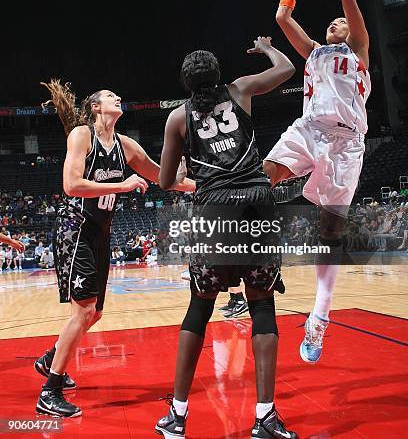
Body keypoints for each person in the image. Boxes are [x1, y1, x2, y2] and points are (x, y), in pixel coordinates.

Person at [156, 42, 298, 439]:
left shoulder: (177, 119)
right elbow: (287, 69)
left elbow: (166, 182)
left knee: (199, 309)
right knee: (262, 306)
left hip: (215, 209)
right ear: (217, 75)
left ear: (186, 83)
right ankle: (265, 417)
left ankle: (178, 417)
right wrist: (269, 49)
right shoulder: (239, 91)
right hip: (257, 202)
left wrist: (187, 165)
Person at [34, 80, 195, 418]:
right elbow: (71, 185)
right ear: (95, 108)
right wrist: (122, 184)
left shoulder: (126, 146)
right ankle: (50, 390)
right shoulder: (82, 135)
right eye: (109, 95)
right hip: (75, 228)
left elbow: (164, 178)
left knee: (94, 313)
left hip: (100, 232)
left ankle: (51, 357)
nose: (117, 96)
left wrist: (204, 188)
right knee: (83, 311)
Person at [263, 0, 371, 364]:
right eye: (332, 22)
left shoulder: (359, 50)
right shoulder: (313, 53)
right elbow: (282, 19)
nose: (336, 21)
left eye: (340, 21)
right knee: (261, 177)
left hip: (346, 145)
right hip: (309, 129)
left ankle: (319, 319)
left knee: (330, 234)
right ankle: (258, 259)